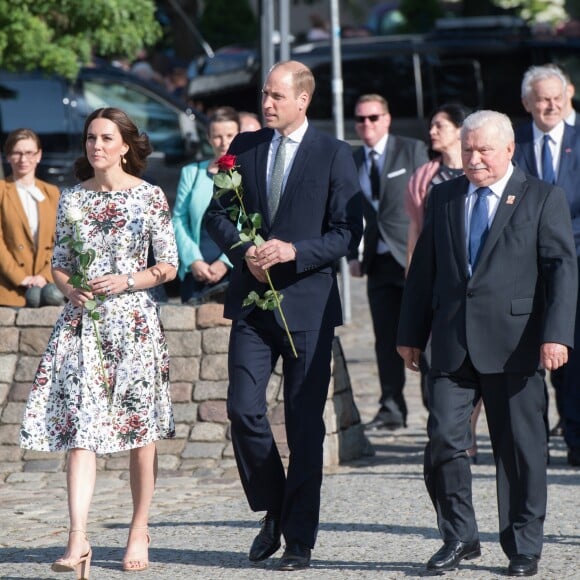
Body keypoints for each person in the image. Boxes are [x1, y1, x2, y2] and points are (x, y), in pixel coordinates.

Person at [397, 110, 577, 577]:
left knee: (519, 449)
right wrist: (409, 334)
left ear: (509, 149)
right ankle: (458, 536)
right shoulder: (444, 196)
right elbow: (424, 271)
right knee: (442, 441)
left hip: (515, 343)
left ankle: (523, 546)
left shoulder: (542, 197)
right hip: (453, 343)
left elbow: (561, 270)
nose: (474, 159)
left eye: (484, 150)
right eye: (468, 150)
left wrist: (556, 334)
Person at [205, 60, 362, 571]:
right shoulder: (244, 149)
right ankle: (274, 507)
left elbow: (346, 232)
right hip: (252, 303)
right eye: (263, 94)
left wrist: (296, 251)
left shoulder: (334, 154)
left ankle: (299, 538)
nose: (266, 103)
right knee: (243, 409)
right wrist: (243, 248)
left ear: (303, 100)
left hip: (308, 307)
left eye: (276, 96)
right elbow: (217, 215)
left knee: (303, 425)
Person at [20, 107, 178, 576]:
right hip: (82, 327)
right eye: (91, 138)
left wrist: (126, 280)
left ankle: (138, 529)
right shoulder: (72, 199)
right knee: (80, 434)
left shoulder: (150, 197)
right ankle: (78, 540)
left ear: (125, 145)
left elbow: (167, 265)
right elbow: (60, 262)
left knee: (141, 437)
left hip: (133, 326)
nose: (97, 146)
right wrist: (69, 288)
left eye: (106, 138)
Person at [405, 103, 482, 460]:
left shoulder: (479, 176)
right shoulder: (425, 178)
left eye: (440, 125)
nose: (432, 131)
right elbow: (416, 233)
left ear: (458, 129)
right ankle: (452, 429)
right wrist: (413, 278)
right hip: (440, 286)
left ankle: (468, 430)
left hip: (478, 285)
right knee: (440, 359)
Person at [348, 93, 428, 431]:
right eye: (361, 119)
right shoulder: (351, 159)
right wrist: (353, 254)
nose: (367, 124)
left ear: (387, 118)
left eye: (374, 117)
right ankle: (391, 408)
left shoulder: (411, 151)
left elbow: (427, 201)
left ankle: (436, 407)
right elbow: (344, 210)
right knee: (385, 338)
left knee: (425, 336)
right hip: (377, 261)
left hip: (413, 258)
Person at [513, 64, 580, 464]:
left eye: (558, 98)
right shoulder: (513, 143)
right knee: (525, 358)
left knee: (571, 356)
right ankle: (532, 445)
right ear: (527, 103)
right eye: (543, 99)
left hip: (574, 262)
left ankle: (575, 439)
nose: (551, 105)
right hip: (523, 266)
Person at [172, 106, 238, 305]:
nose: (224, 142)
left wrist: (226, 262)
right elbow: (179, 219)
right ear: (209, 138)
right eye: (217, 136)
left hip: (233, 269)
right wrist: (193, 260)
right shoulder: (191, 173)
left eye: (230, 135)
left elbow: (246, 221)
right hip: (197, 271)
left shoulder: (247, 173)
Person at [0, 128, 65, 307]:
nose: (23, 159)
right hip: (9, 289)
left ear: (39, 155)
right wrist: (21, 278)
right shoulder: (1, 191)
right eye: (17, 153)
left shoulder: (52, 193)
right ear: (8, 156)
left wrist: (44, 275)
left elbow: (61, 241)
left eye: (29, 153)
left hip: (45, 287)